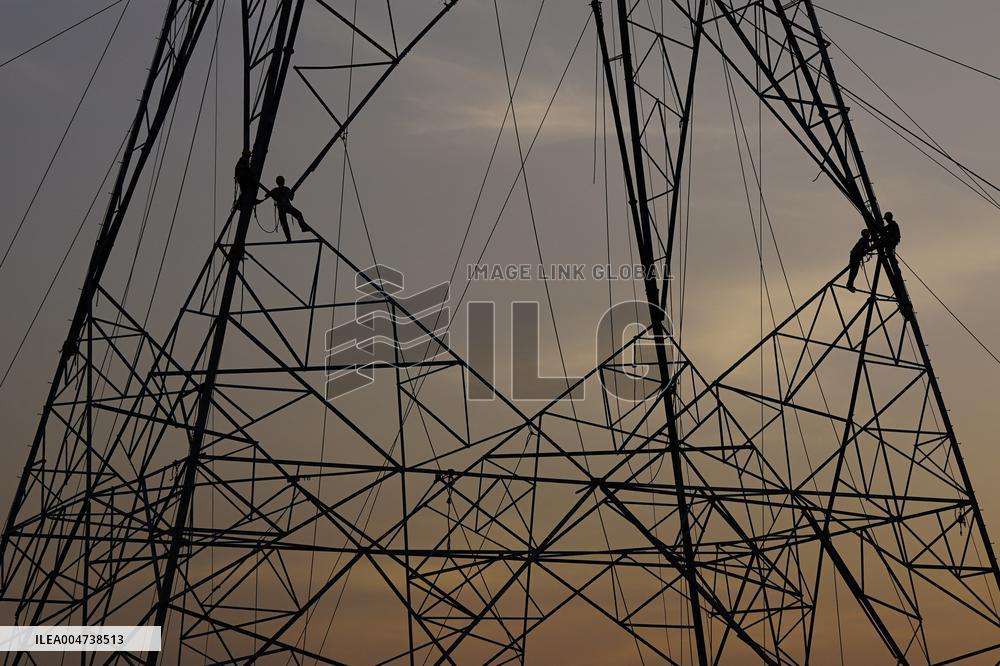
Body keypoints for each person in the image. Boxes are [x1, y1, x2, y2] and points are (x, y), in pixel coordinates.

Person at [260, 175, 310, 241]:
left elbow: (266, 195)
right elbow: (291, 198)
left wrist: (272, 195)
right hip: (287, 206)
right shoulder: (285, 189)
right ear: (283, 182)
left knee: (284, 224)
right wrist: (291, 194)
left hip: (281, 208)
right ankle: (303, 228)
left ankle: (289, 238)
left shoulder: (275, 190)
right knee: (297, 214)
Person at [846, 228, 872, 292]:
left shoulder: (864, 239)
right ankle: (849, 285)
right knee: (853, 271)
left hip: (855, 257)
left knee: (854, 272)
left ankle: (850, 284)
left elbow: (867, 248)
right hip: (855, 257)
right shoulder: (864, 240)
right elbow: (864, 248)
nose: (869, 235)